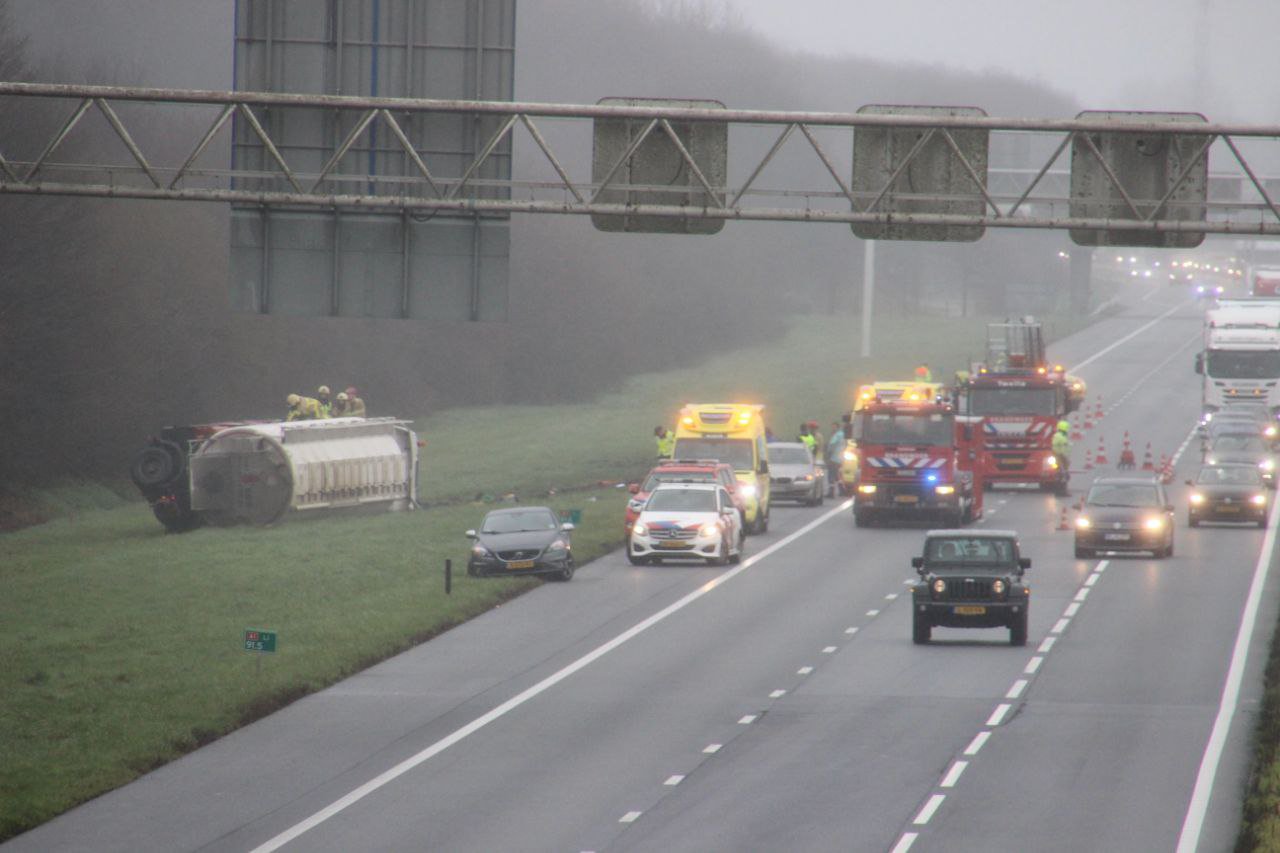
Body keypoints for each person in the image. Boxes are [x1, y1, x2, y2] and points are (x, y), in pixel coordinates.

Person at [825, 421, 845, 496]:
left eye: (833, 427)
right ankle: (842, 489)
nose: (832, 428)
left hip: (834, 458)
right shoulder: (843, 434)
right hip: (840, 458)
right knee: (837, 474)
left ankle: (831, 492)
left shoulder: (836, 435)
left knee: (831, 475)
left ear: (837, 427)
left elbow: (832, 445)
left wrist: (828, 455)